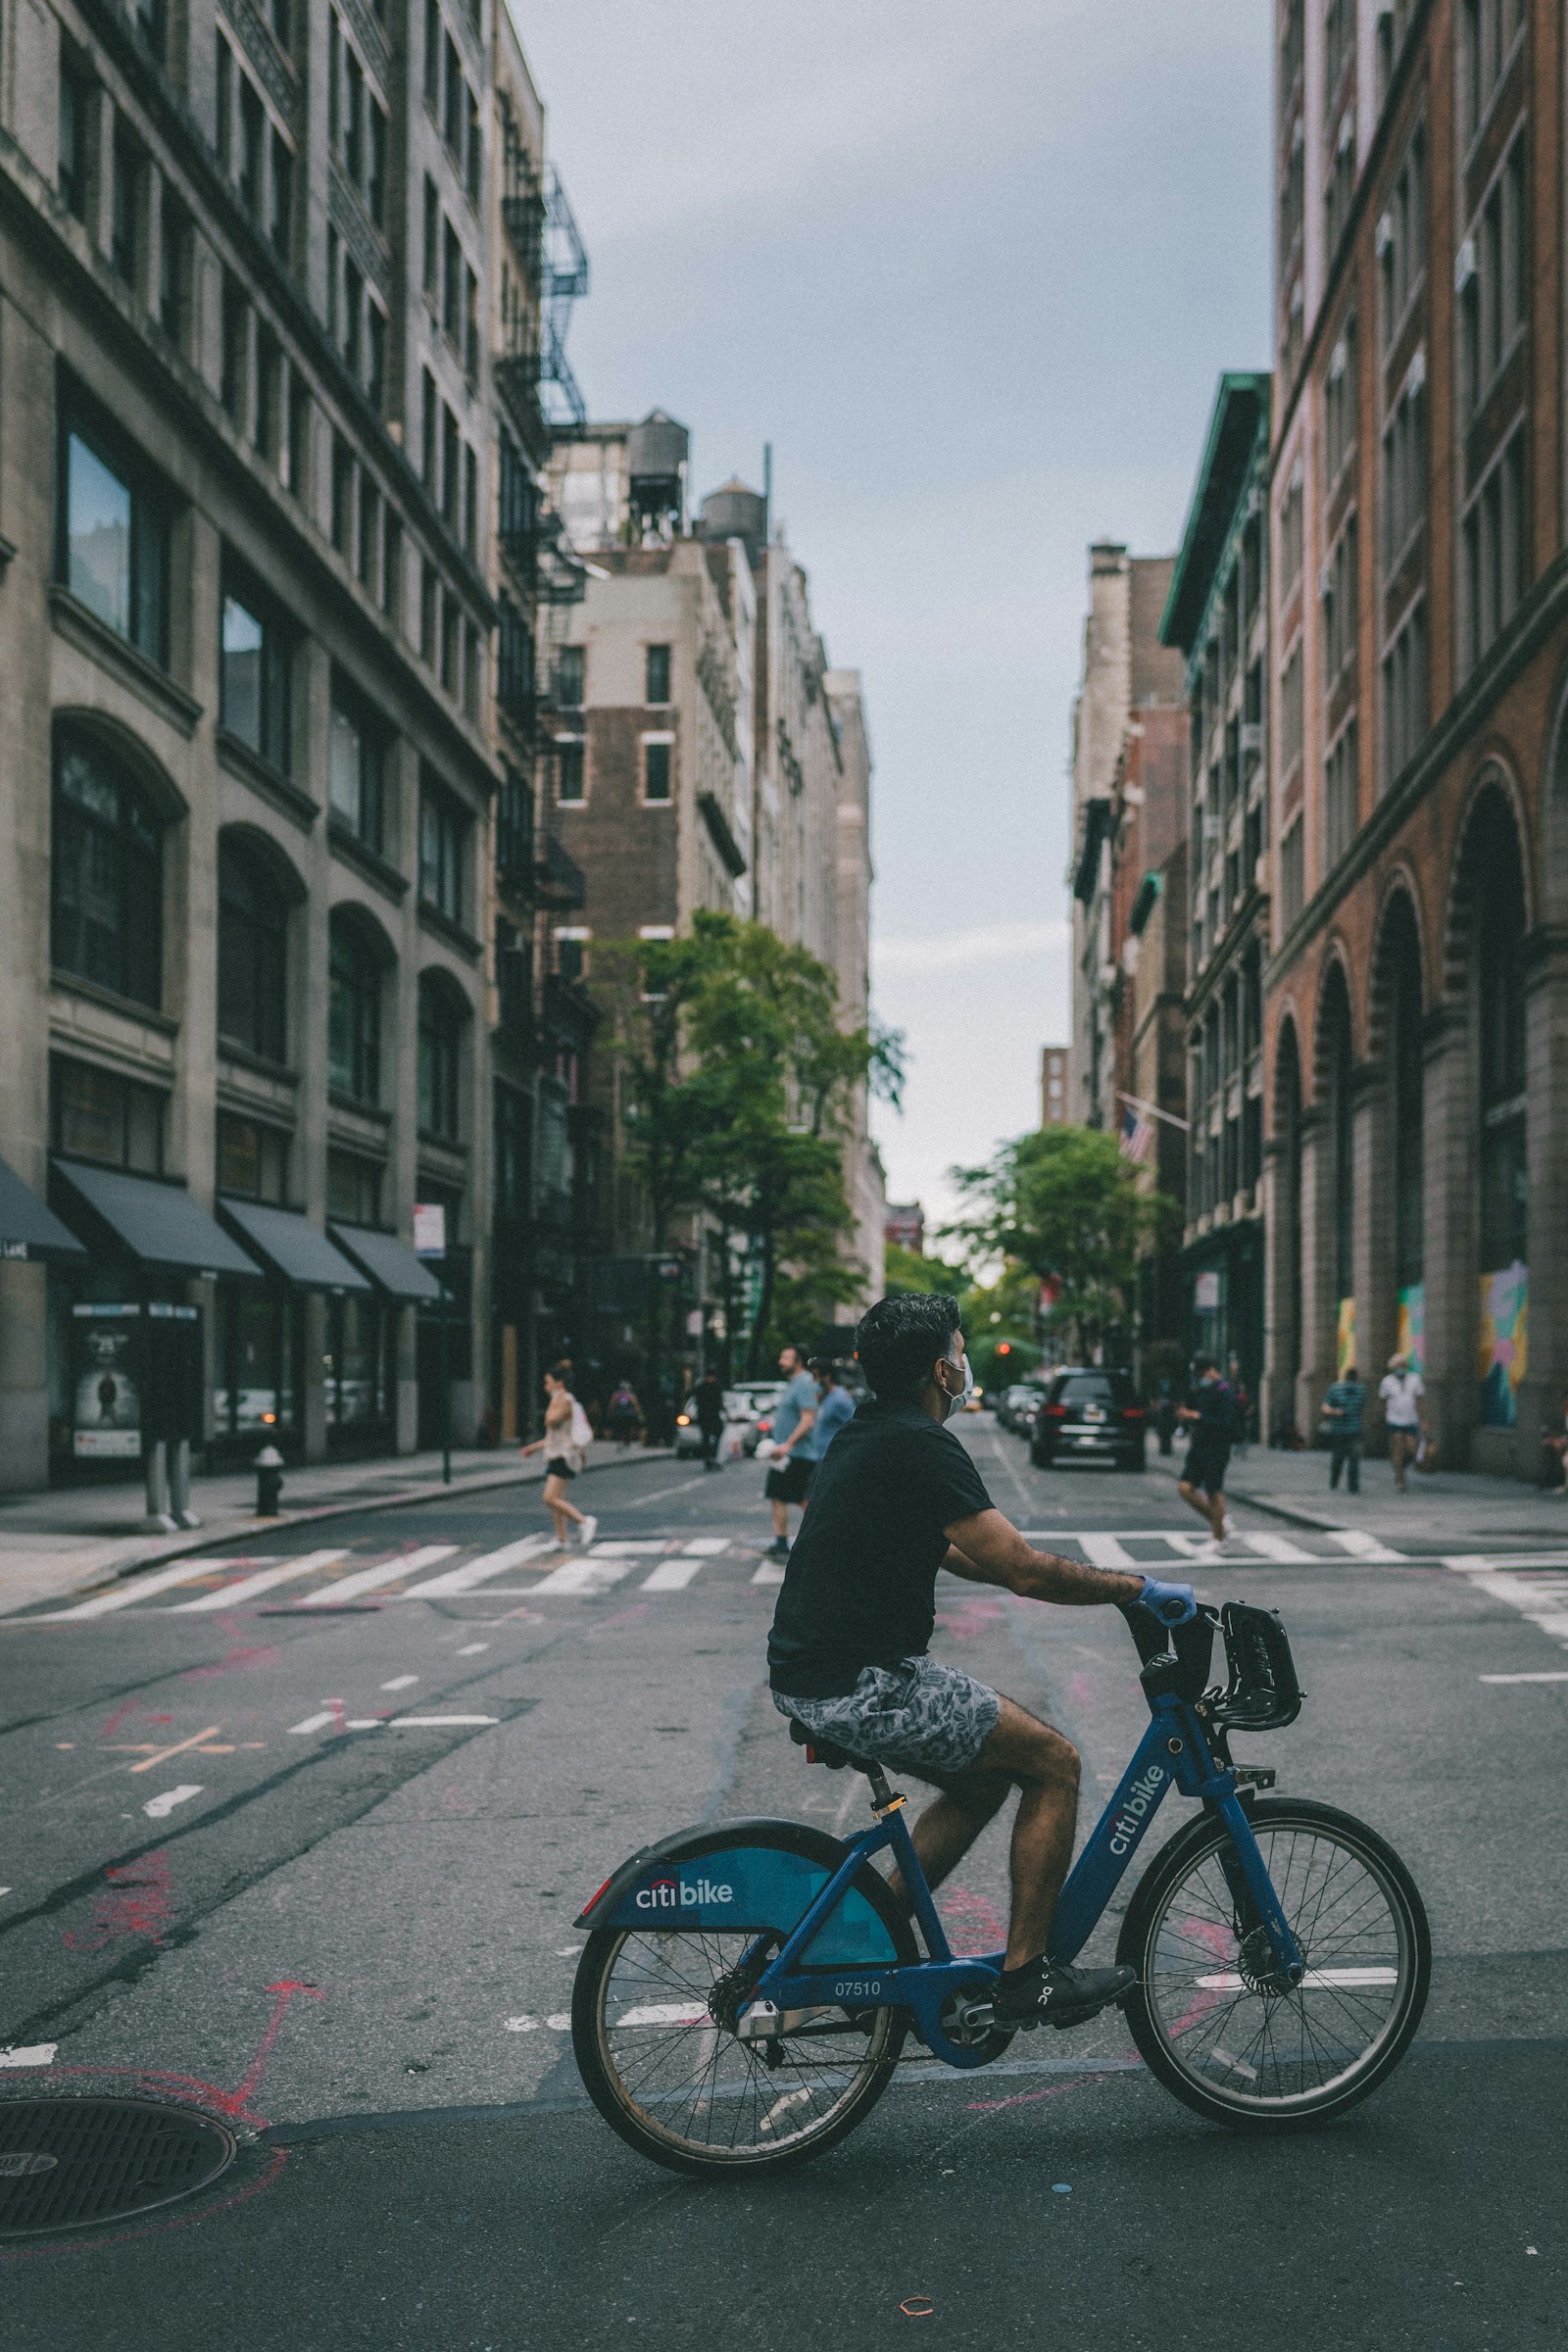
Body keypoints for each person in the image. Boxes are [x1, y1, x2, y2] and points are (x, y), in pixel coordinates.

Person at [768, 1293, 1193, 2032]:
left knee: (981, 1784)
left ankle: (867, 1945)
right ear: (941, 1368)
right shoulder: (920, 1444)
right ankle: (1030, 1977)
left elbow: (965, 1554)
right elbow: (1023, 1569)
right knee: (1053, 1761)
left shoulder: (869, 1435)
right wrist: (1137, 1590)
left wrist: (1083, 1584)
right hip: (864, 1680)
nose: (964, 1365)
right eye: (960, 1352)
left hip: (820, 1672)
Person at [519, 1362, 598, 1551]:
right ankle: (562, 1538)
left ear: (559, 1383)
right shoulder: (559, 1399)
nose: (546, 1387)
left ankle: (584, 1521)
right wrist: (533, 1447)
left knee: (549, 1497)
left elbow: (551, 1421)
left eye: (548, 1382)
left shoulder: (565, 1400)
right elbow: (552, 1436)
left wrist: (554, 1401)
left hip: (564, 1456)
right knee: (557, 1498)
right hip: (555, 1453)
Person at [1176, 1355, 1237, 1557]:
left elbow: (1227, 1424)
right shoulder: (1203, 1391)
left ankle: (1217, 1539)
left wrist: (1197, 1416)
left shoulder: (1224, 1392)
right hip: (1200, 1445)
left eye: (1202, 1374)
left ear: (1212, 1370)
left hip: (1217, 1447)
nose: (1200, 1378)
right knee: (1185, 1488)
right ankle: (1220, 1522)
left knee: (1213, 1490)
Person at [762, 1344, 819, 1559]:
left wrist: (787, 1445)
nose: (780, 1361)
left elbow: (808, 1419)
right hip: (787, 1455)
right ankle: (781, 1542)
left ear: (797, 1361)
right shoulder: (794, 1384)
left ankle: (826, 1537)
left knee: (802, 1499)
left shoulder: (804, 1383)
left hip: (796, 1454)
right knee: (782, 1496)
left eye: (786, 1357)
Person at [1378, 1352, 1427, 1492]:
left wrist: (1423, 1420)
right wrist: (1380, 1418)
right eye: (1397, 1366)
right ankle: (1400, 1478)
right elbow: (1382, 1401)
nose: (1400, 1368)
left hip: (1411, 1420)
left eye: (1403, 1365)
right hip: (1394, 1419)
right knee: (1398, 1447)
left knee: (1412, 1449)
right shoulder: (1387, 1382)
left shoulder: (1415, 1379)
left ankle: (1401, 1467)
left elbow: (1420, 1401)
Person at [1320, 1363, 1366, 1494]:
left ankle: (1335, 1482)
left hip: (1340, 1429)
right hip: (1352, 1429)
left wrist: (1334, 1411)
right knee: (1352, 1459)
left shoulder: (1335, 1388)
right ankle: (1353, 1486)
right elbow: (1362, 1407)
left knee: (1339, 1458)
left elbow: (1324, 1407)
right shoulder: (1361, 1390)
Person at [812, 1360, 857, 1457]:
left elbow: (854, 1427)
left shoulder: (840, 1399)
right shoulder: (824, 1396)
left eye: (816, 1376)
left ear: (827, 1377)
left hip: (832, 1456)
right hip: (819, 1456)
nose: (813, 1380)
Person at [691, 1368, 726, 1471]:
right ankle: (712, 1456)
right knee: (717, 1433)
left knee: (705, 1437)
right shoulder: (716, 1387)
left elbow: (694, 1399)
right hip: (713, 1416)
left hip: (703, 1416)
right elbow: (720, 1402)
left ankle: (708, 1457)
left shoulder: (700, 1387)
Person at [1540, 1391, 1568, 1493]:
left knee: (1557, 1446)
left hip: (1564, 1441)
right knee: (1546, 1445)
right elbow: (1561, 1430)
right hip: (1563, 1439)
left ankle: (1559, 1480)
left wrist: (1560, 1439)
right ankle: (1547, 1478)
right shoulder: (1562, 1415)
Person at [1228, 1355, 1251, 1458]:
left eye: (1235, 1367)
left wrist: (1249, 1408)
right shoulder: (1229, 1382)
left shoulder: (1242, 1382)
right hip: (1234, 1410)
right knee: (1236, 1430)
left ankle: (1242, 1451)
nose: (1234, 1370)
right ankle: (1237, 1449)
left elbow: (1248, 1396)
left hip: (1242, 1410)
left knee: (1243, 1430)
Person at [607, 1380, 642, 1448]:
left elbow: (612, 1404)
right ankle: (627, 1441)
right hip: (629, 1415)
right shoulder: (631, 1395)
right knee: (629, 1428)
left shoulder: (616, 1394)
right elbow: (636, 1405)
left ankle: (624, 1440)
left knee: (622, 1428)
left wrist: (610, 1412)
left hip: (620, 1414)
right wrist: (640, 1414)